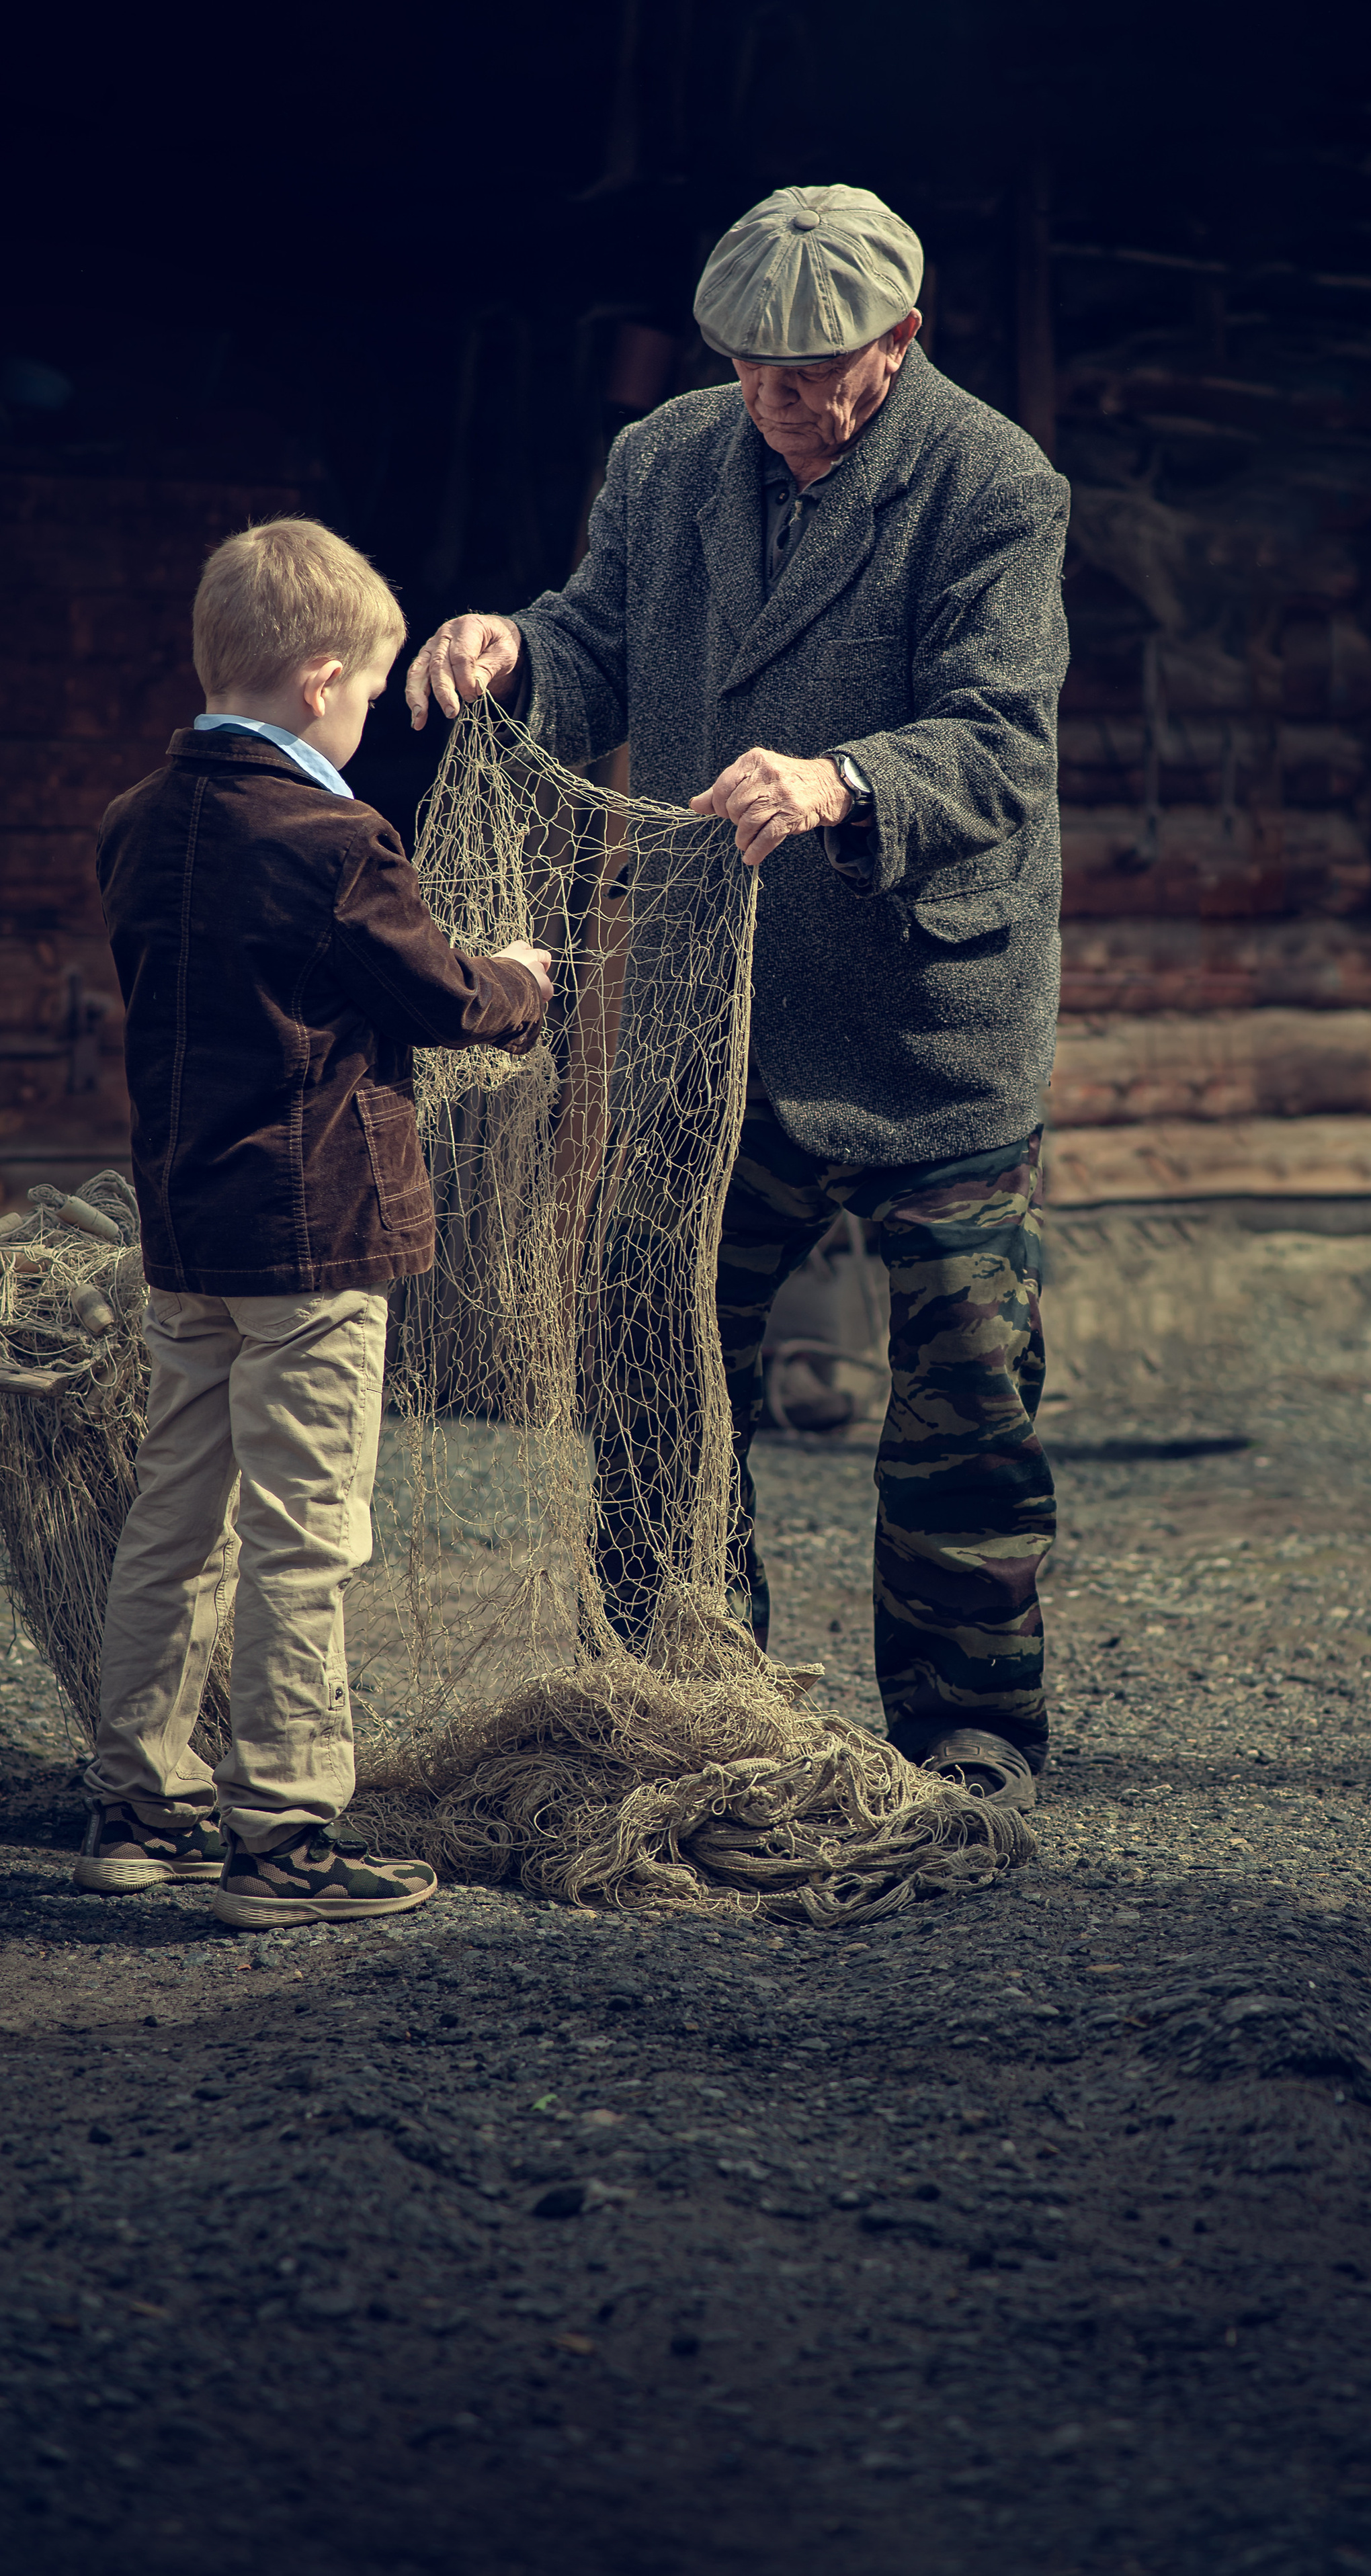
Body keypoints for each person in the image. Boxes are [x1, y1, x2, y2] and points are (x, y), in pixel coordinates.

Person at [406, 185, 1067, 1811]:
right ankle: (691, 1682)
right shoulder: (666, 459)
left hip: (931, 1019)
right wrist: (512, 651)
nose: (773, 394)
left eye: (810, 367)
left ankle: (972, 1727)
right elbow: (594, 644)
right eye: (748, 363)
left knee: (967, 1388)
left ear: (899, 343)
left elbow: (1002, 738)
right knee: (649, 1337)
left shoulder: (993, 483)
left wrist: (846, 777)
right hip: (728, 1018)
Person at [79, 518, 552, 1926]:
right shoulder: (335, 839)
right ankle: (282, 1839)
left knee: (176, 1516)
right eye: (362, 697)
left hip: (190, 1231)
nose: (358, 723)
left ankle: (136, 1806)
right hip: (315, 1239)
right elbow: (445, 1000)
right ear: (318, 682)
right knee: (303, 1534)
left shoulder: (132, 822)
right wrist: (520, 975)